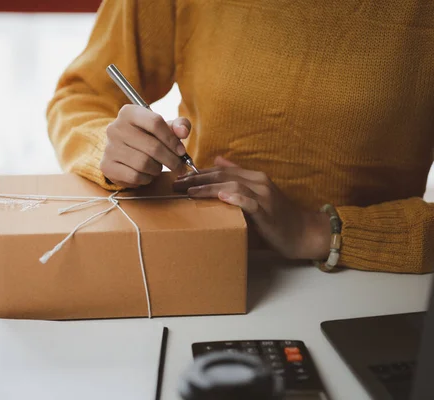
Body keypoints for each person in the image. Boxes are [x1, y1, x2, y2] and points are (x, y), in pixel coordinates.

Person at [47, 0, 434, 273]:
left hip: (375, 291)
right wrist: (108, 146)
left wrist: (315, 231)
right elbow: (80, 98)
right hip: (196, 265)